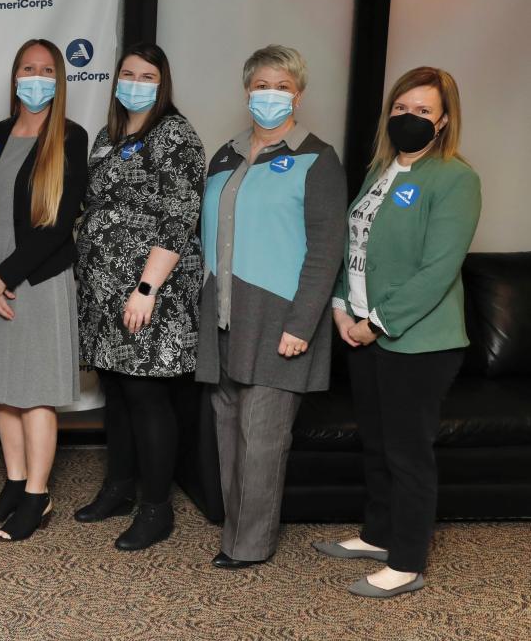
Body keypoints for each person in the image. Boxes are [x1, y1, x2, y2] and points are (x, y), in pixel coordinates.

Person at [314, 67, 480, 598]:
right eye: (402, 108)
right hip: (360, 329)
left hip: (417, 340)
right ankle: (379, 535)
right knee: (378, 444)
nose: (410, 118)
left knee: (409, 452)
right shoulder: (379, 170)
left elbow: (439, 268)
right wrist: (342, 306)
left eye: (423, 111)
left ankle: (406, 561)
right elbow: (353, 247)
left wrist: (375, 324)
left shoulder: (455, 178)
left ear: (445, 120)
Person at [197, 44, 346, 569]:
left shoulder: (317, 158)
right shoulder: (226, 153)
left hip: (280, 320)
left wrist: (302, 323)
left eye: (282, 86)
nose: (271, 95)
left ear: (298, 96)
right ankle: (233, 533)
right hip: (223, 317)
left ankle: (249, 546)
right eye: (262, 84)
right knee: (228, 432)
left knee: (261, 440)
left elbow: (329, 247)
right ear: (247, 92)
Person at [72, 43, 206, 551]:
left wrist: (147, 287)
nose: (134, 82)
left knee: (148, 397)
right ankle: (119, 488)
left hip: (152, 289)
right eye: (127, 73)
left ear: (162, 82)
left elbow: (179, 216)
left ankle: (156, 507)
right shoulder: (109, 135)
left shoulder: (174, 134)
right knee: (118, 393)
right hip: (105, 289)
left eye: (146, 75)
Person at [0, 38, 89, 542]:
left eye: (46, 70)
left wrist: (4, 278)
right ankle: (14, 485)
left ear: (58, 80)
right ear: (14, 77)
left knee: (34, 393)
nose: (36, 77)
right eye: (27, 68)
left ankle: (38, 494)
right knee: (5, 391)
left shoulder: (70, 138)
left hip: (35, 282)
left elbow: (57, 226)